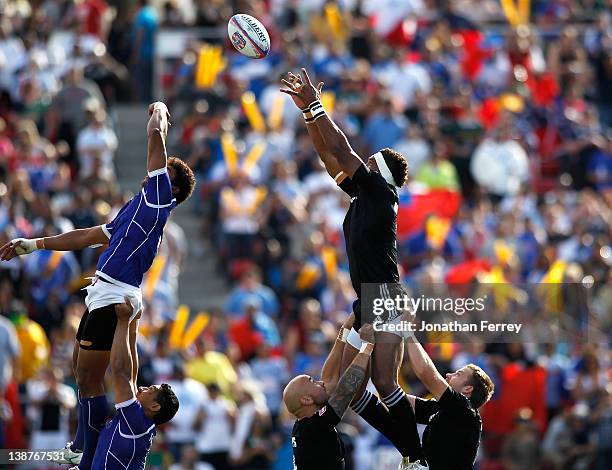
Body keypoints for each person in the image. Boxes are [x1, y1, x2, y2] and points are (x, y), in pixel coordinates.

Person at [0, 101, 195, 469]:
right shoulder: (138, 205)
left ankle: (82, 452)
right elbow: (91, 234)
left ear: (169, 184)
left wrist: (161, 111)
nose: (153, 171)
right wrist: (36, 243)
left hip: (114, 292)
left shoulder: (157, 201)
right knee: (81, 371)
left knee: (88, 379)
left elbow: (155, 135)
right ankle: (82, 448)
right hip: (108, 290)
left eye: (162, 171)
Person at [280, 69, 422, 464]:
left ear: (378, 172)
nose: (361, 165)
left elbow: (341, 153)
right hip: (371, 296)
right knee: (352, 390)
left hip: (383, 296)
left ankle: (417, 456)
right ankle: (420, 435)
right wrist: (309, 118)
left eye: (368, 163)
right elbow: (330, 159)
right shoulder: (367, 196)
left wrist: (315, 105)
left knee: (381, 382)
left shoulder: (379, 191)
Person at [80, 296, 179, 470]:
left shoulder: (136, 422)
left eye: (150, 389)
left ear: (155, 406)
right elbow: (131, 375)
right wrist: (133, 323)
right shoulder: (138, 420)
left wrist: (123, 321)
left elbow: (120, 371)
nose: (143, 387)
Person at [282, 315, 374, 470]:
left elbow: (329, 379)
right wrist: (367, 348)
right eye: (313, 381)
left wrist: (350, 321)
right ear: (306, 399)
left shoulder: (305, 424)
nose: (320, 382)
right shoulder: (313, 427)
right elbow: (345, 391)